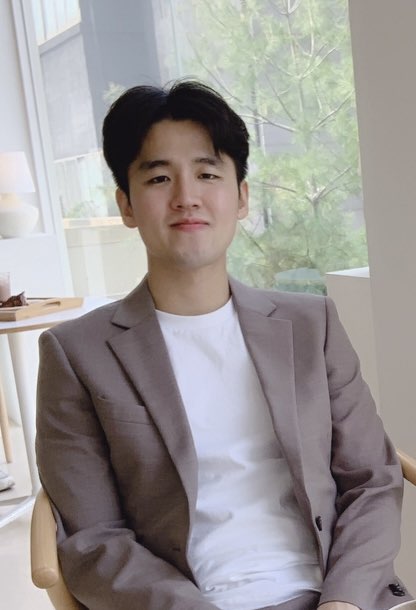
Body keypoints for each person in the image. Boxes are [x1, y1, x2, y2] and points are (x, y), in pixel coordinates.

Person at [36, 80, 412, 610]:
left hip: (335, 595)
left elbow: (372, 480)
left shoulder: (311, 324)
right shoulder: (77, 354)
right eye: (159, 177)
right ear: (126, 204)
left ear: (241, 197)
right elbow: (93, 539)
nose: (186, 196)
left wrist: (343, 601)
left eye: (207, 173)